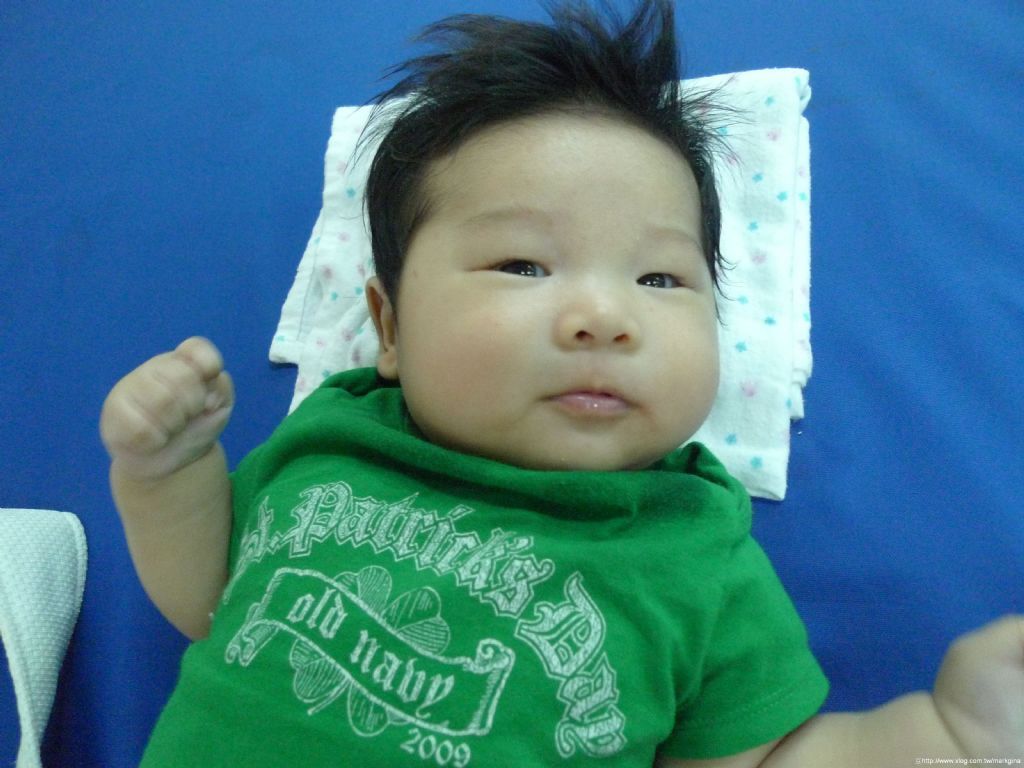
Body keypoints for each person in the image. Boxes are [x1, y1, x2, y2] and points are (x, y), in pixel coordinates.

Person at [100, 1, 1023, 765]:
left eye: (660, 278)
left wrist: (940, 737)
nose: (604, 317)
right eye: (523, 265)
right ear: (389, 328)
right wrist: (166, 475)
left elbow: (766, 755)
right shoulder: (335, 440)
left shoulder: (694, 549)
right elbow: (213, 601)